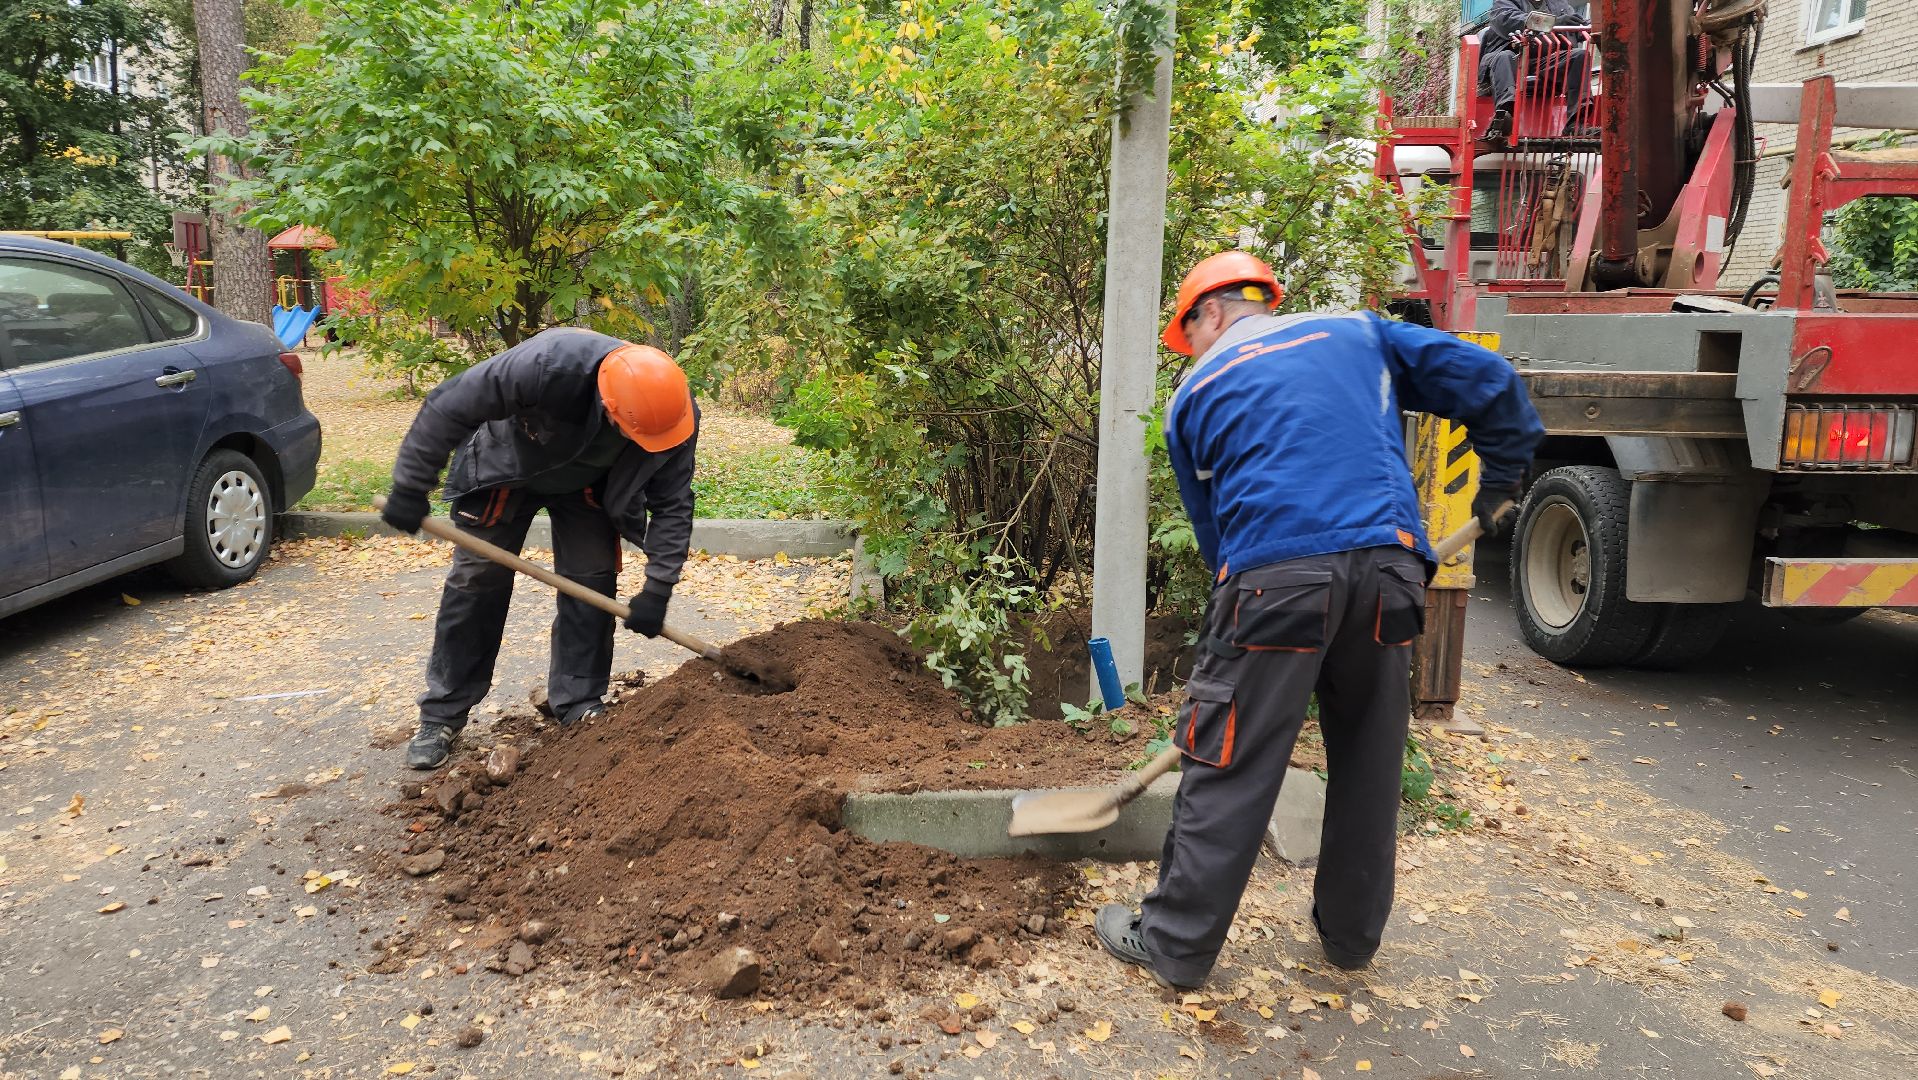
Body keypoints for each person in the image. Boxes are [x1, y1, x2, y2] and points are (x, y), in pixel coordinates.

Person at [1094, 252, 1544, 989]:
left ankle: (1174, 945)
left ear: (1211, 313)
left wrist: (1240, 642)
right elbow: (1491, 379)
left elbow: (1216, 539)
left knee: (1229, 761)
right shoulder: (1357, 333)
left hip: (1274, 581)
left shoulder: (1194, 393)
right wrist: (1499, 479)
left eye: (1189, 332)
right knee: (1370, 755)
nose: (1193, 347)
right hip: (1391, 572)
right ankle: (1350, 940)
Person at [380, 328, 698, 770]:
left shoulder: (673, 413)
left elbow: (673, 502)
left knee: (593, 581)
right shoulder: (549, 364)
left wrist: (658, 589)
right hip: (507, 468)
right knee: (476, 579)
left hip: (589, 486)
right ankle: (442, 714)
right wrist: (411, 486)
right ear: (608, 405)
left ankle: (579, 702)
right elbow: (449, 404)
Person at [1481, 0, 1589, 143]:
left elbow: (1573, 24)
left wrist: (1588, 26)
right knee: (1505, 57)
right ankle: (1505, 116)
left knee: (1579, 56)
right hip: (1509, 57)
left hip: (1543, 61)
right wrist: (1554, 22)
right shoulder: (1504, 2)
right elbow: (1508, 20)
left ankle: (1576, 124)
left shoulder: (1559, 4)